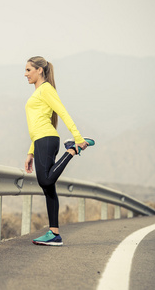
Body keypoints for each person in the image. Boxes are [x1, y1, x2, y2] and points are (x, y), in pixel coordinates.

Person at [24, 56, 95, 246]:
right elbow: (36, 123)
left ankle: (71, 150)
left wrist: (78, 139)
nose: (25, 74)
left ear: (40, 70)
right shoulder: (39, 91)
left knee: (45, 180)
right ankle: (54, 233)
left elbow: (62, 112)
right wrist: (31, 152)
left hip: (47, 140)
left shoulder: (46, 89)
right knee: (48, 188)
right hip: (41, 141)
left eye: (29, 70)